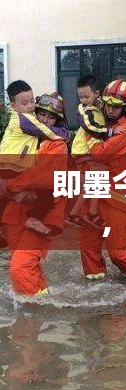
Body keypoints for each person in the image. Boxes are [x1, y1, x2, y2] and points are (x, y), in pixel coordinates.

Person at [0, 94, 69, 296]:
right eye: (41, 113)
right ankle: (43, 306)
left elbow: (43, 177)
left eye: (51, 116)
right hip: (16, 211)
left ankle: (33, 311)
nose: (45, 119)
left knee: (20, 268)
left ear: (58, 120)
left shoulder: (57, 145)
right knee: (25, 265)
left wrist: (9, 185)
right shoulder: (26, 138)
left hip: (42, 213)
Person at [78, 79, 126, 281]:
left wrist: (89, 137)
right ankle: (95, 281)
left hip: (117, 194)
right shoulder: (102, 122)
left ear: (125, 107)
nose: (111, 109)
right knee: (88, 244)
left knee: (118, 253)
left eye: (116, 106)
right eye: (108, 104)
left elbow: (99, 153)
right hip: (95, 189)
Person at [0, 82, 65, 244]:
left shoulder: (52, 144)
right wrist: (65, 133)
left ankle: (31, 219)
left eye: (31, 101)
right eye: (42, 114)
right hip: (10, 168)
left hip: (17, 180)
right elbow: (48, 131)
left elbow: (44, 176)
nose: (29, 106)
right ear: (13, 105)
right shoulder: (24, 120)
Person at [66, 75, 124, 229]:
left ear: (96, 94)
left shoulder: (99, 107)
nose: (83, 100)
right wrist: (111, 132)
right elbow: (91, 127)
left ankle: (78, 214)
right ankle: (86, 213)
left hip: (87, 151)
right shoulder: (86, 111)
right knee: (97, 179)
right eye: (80, 97)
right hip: (82, 152)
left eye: (86, 96)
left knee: (92, 183)